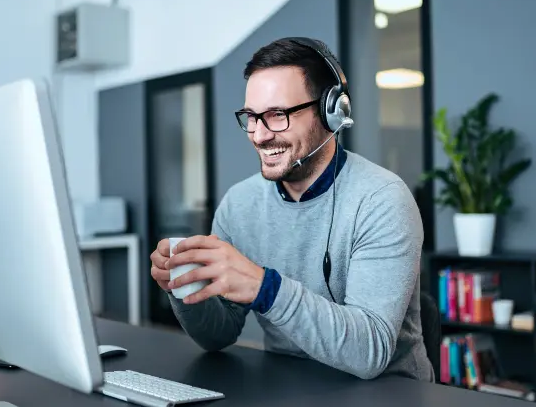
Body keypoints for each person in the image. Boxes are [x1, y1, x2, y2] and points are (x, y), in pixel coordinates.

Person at [149, 37, 433, 381]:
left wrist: (265, 288)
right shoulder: (239, 205)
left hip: (389, 404)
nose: (259, 134)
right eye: (251, 117)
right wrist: (185, 286)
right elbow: (217, 335)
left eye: (276, 115)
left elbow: (369, 353)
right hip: (290, 392)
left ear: (331, 112)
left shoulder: (382, 200)